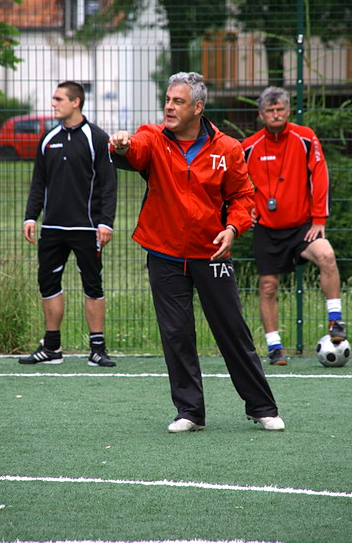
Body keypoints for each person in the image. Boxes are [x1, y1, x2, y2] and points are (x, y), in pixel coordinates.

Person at [111, 72, 284, 432]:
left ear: (198, 107)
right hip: (164, 252)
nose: (168, 107)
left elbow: (243, 197)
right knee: (176, 334)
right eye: (167, 100)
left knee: (232, 331)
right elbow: (136, 150)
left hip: (212, 253)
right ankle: (189, 412)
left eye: (178, 101)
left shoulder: (228, 148)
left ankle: (262, 407)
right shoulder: (153, 138)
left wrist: (233, 228)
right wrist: (123, 145)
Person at [241, 86, 346, 366]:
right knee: (268, 287)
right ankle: (275, 347)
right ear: (261, 114)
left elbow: (320, 177)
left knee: (326, 255)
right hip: (266, 229)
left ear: (288, 110)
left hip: (302, 227)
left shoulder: (306, 137)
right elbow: (236, 185)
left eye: (280, 109)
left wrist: (319, 219)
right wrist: (244, 211)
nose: (275, 114)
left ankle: (335, 322)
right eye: (270, 110)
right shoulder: (248, 147)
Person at [19, 81, 117, 367]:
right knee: (48, 283)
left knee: (92, 285)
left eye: (59, 98)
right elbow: (39, 182)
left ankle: (97, 349)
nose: (53, 103)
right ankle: (51, 348)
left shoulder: (96, 138)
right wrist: (30, 216)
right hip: (52, 229)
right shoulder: (48, 138)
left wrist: (106, 222)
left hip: (87, 228)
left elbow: (108, 184)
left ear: (76, 102)